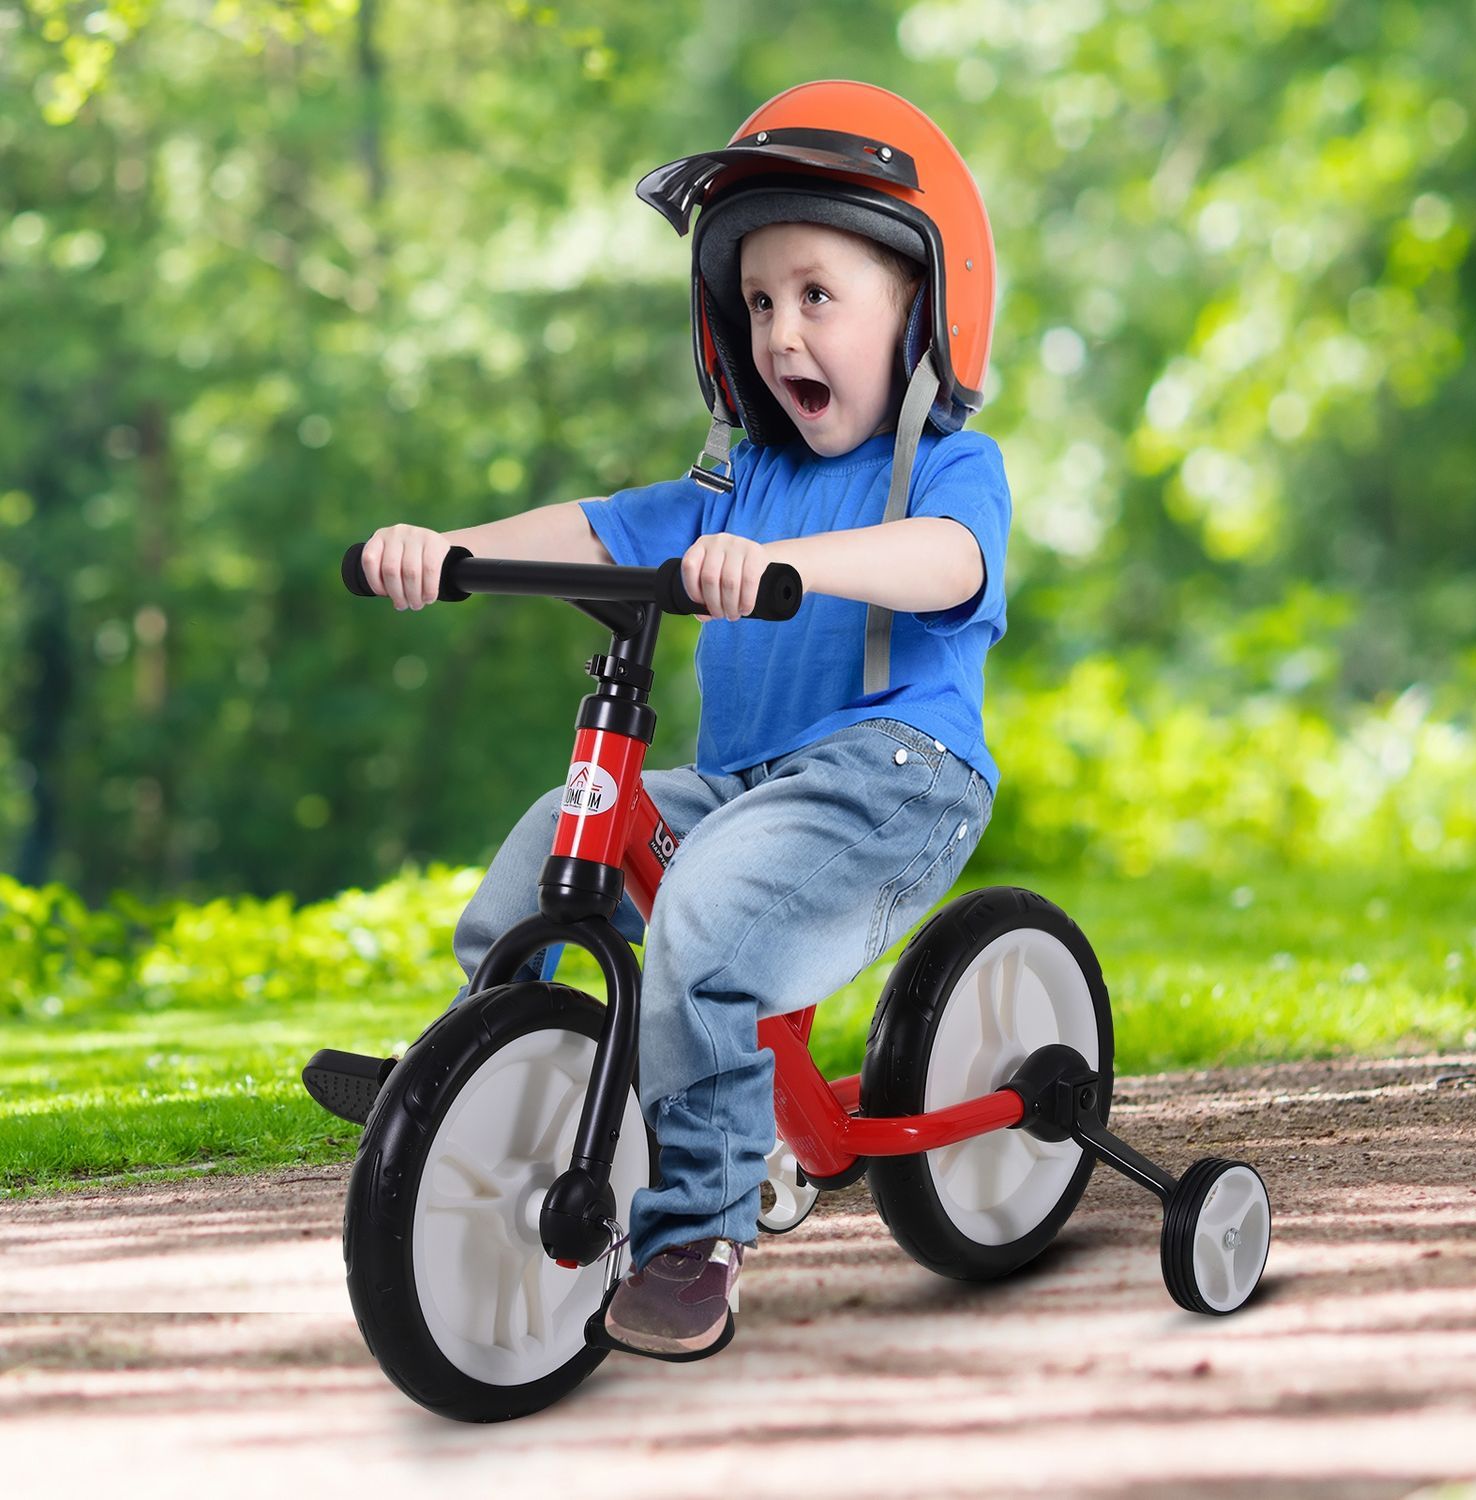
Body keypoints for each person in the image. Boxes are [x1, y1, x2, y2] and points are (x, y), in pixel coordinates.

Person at [356, 81, 1009, 1360]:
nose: (781, 333)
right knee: (559, 843)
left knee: (705, 915)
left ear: (919, 310)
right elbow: (596, 527)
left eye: (817, 295)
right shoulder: (737, 480)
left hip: (896, 778)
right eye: (759, 302)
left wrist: (804, 568)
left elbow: (950, 563)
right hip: (748, 784)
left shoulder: (940, 466)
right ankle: (479, 1074)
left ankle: (694, 1234)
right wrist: (453, 549)